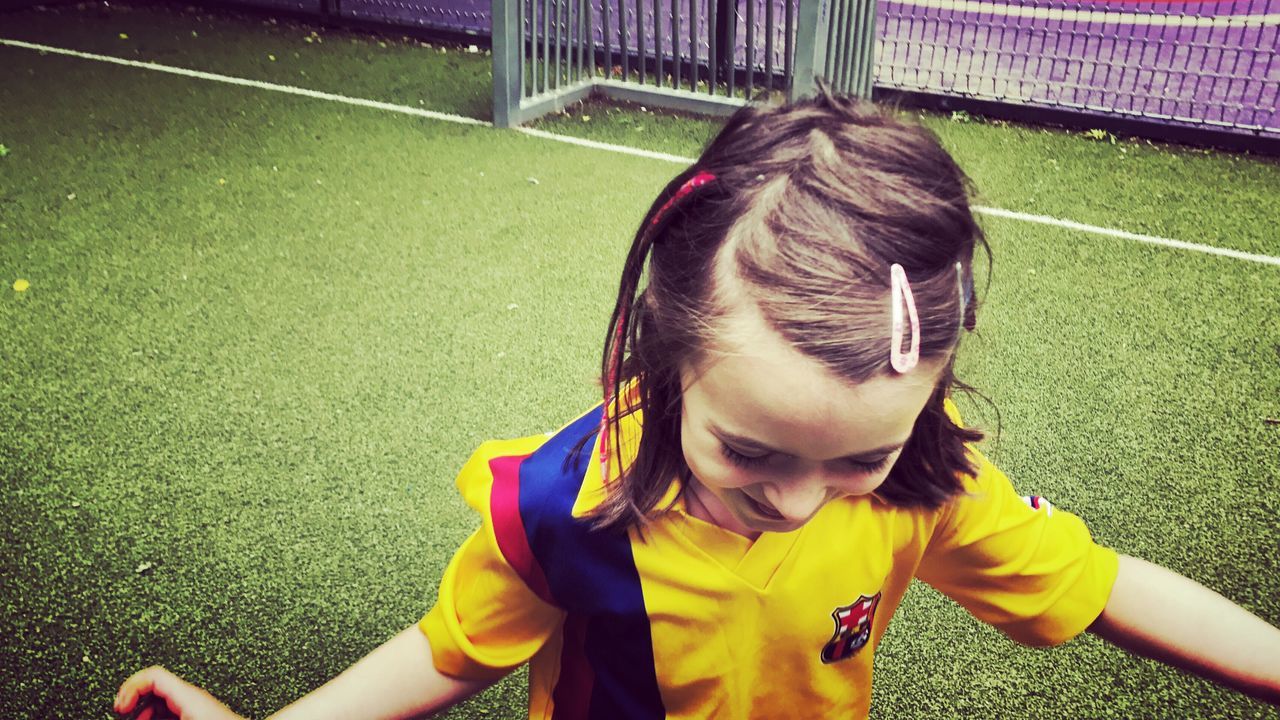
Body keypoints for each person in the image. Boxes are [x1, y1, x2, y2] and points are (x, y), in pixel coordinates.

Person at [114, 91, 1280, 720]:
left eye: (853, 461)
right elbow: (444, 654)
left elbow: (1110, 585)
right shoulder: (561, 506)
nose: (795, 500)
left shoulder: (929, 482)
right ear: (661, 352)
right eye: (748, 450)